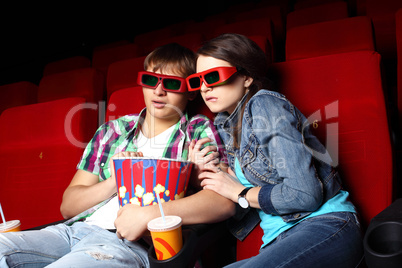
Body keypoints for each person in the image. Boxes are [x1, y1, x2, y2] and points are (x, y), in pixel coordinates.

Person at [0, 43, 234, 268]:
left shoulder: (197, 130)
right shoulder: (112, 132)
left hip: (131, 243)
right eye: (151, 80)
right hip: (72, 231)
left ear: (190, 92)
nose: (158, 90)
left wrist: (151, 214)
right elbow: (68, 206)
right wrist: (118, 178)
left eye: (171, 84)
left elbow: (224, 202)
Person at [186, 33, 364, 268]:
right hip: (280, 241)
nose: (205, 87)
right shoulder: (226, 124)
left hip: (324, 226)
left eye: (213, 76)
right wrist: (201, 172)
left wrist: (240, 194)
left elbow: (306, 195)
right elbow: (236, 200)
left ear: (246, 76)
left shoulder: (265, 105)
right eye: (198, 81)